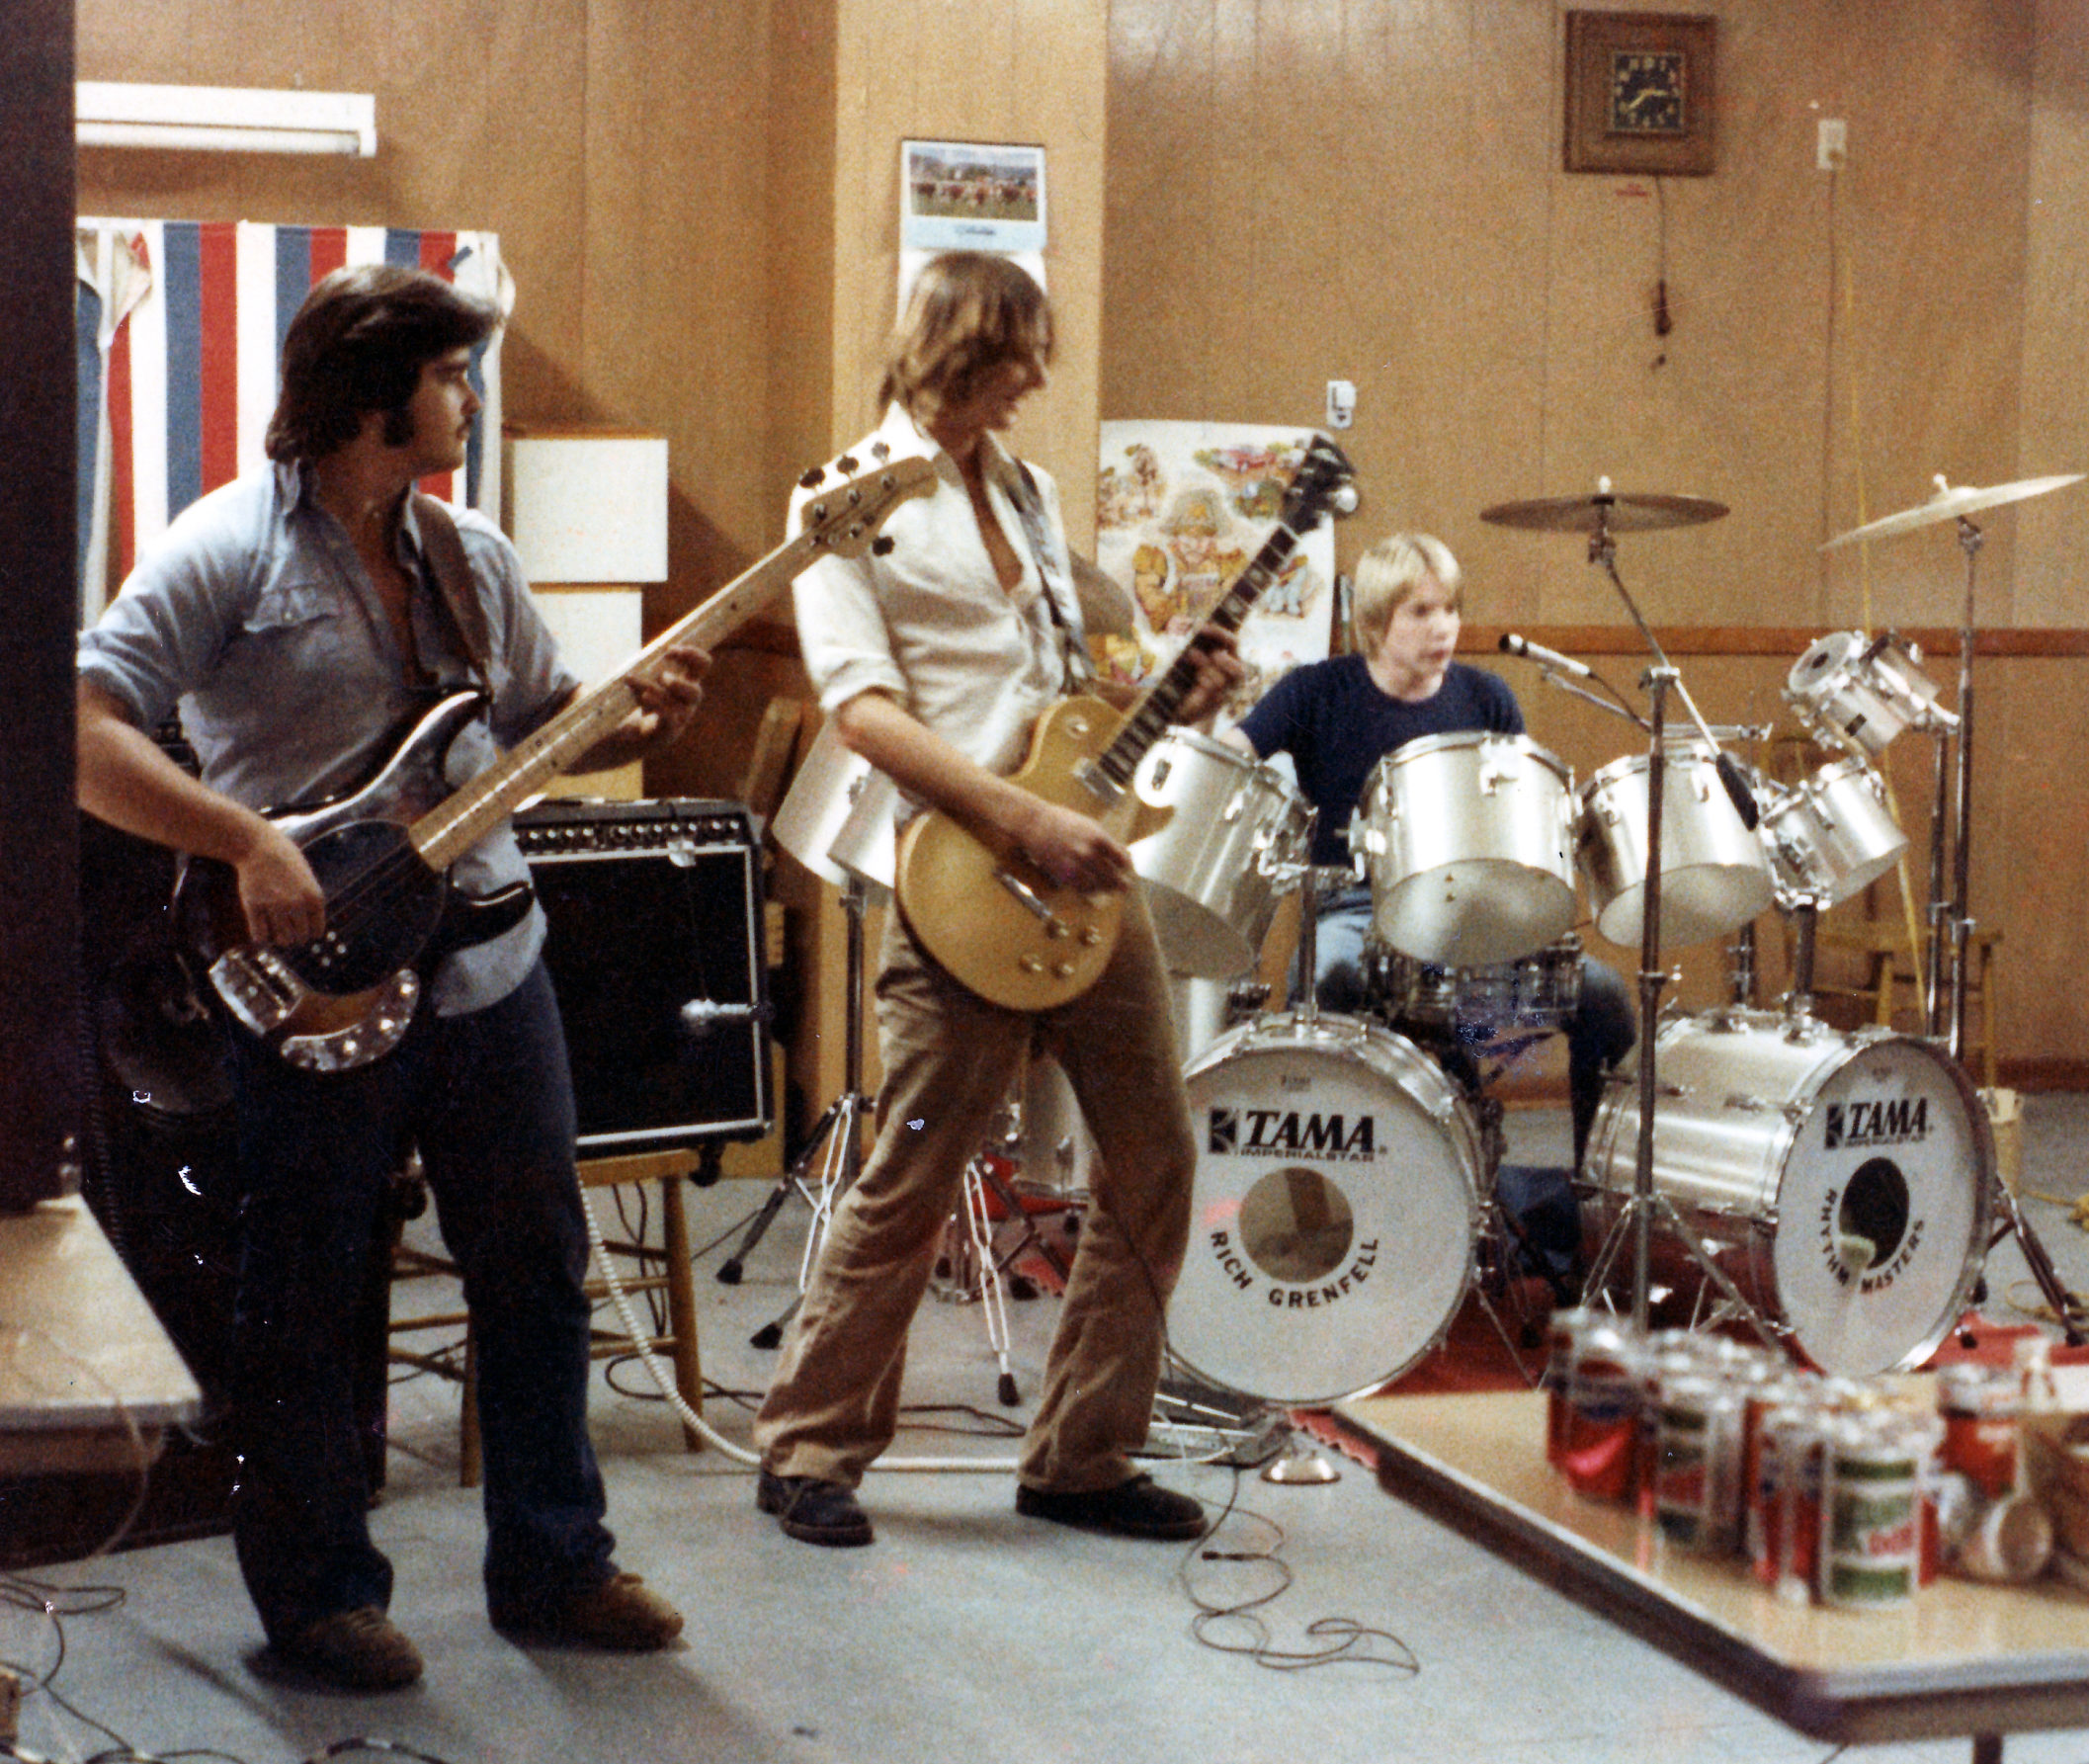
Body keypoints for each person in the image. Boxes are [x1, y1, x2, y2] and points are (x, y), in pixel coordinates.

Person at [76, 265, 703, 1691]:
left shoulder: (469, 556)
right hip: (313, 980)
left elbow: (538, 732)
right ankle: (316, 1600)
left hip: (490, 965)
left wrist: (637, 715)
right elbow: (82, 732)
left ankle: (557, 1562)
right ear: (377, 395)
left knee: (537, 1271)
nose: (470, 399)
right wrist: (241, 841)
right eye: (451, 376)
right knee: (307, 1290)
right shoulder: (222, 551)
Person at [754, 251, 1240, 1550]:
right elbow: (862, 711)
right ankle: (808, 1448)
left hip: (1082, 875)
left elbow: (1072, 697)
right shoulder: (844, 497)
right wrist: (1012, 819)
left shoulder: (1027, 493)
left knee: (1155, 1156)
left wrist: (1174, 696)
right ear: (957, 347)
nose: (1035, 377)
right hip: (957, 878)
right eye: (1018, 352)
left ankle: (1082, 1455)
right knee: (914, 1175)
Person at [1224, 533, 1635, 1293]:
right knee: (1333, 980)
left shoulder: (1487, 697)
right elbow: (1229, 757)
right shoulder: (1315, 691)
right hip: (1359, 907)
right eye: (1421, 610)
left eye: (1450, 608)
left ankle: (1568, 1216)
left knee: (1604, 999)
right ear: (1376, 618)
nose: (1443, 626)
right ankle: (1352, 1216)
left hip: (1483, 922)